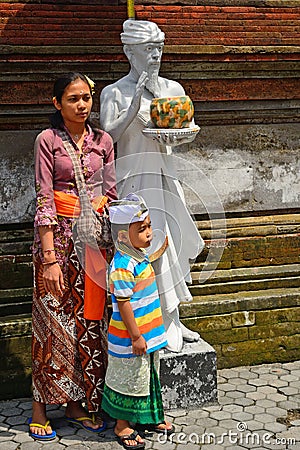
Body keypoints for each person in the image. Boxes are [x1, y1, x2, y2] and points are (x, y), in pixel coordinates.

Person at [100, 19, 204, 353]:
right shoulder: (113, 92)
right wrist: (132, 108)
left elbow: (181, 131)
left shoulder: (173, 89)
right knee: (140, 253)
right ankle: (146, 324)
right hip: (133, 182)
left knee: (169, 246)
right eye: (148, 49)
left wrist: (182, 132)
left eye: (159, 47)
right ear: (129, 52)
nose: (155, 55)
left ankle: (173, 318)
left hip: (165, 177)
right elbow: (107, 139)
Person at [29, 72, 117, 441]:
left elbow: (111, 193)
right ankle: (39, 407)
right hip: (58, 243)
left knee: (88, 324)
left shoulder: (103, 141)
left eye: (85, 98)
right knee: (52, 325)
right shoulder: (47, 141)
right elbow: (44, 197)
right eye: (72, 99)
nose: (81, 105)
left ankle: (76, 403)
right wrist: (48, 258)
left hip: (93, 243)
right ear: (56, 103)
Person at [101, 193, 174, 450]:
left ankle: (150, 417)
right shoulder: (122, 265)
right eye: (141, 229)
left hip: (148, 334)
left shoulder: (139, 256)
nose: (149, 233)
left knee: (147, 377)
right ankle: (122, 425)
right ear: (122, 236)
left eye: (149, 226)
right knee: (130, 380)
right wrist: (135, 336)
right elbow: (123, 303)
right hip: (131, 339)